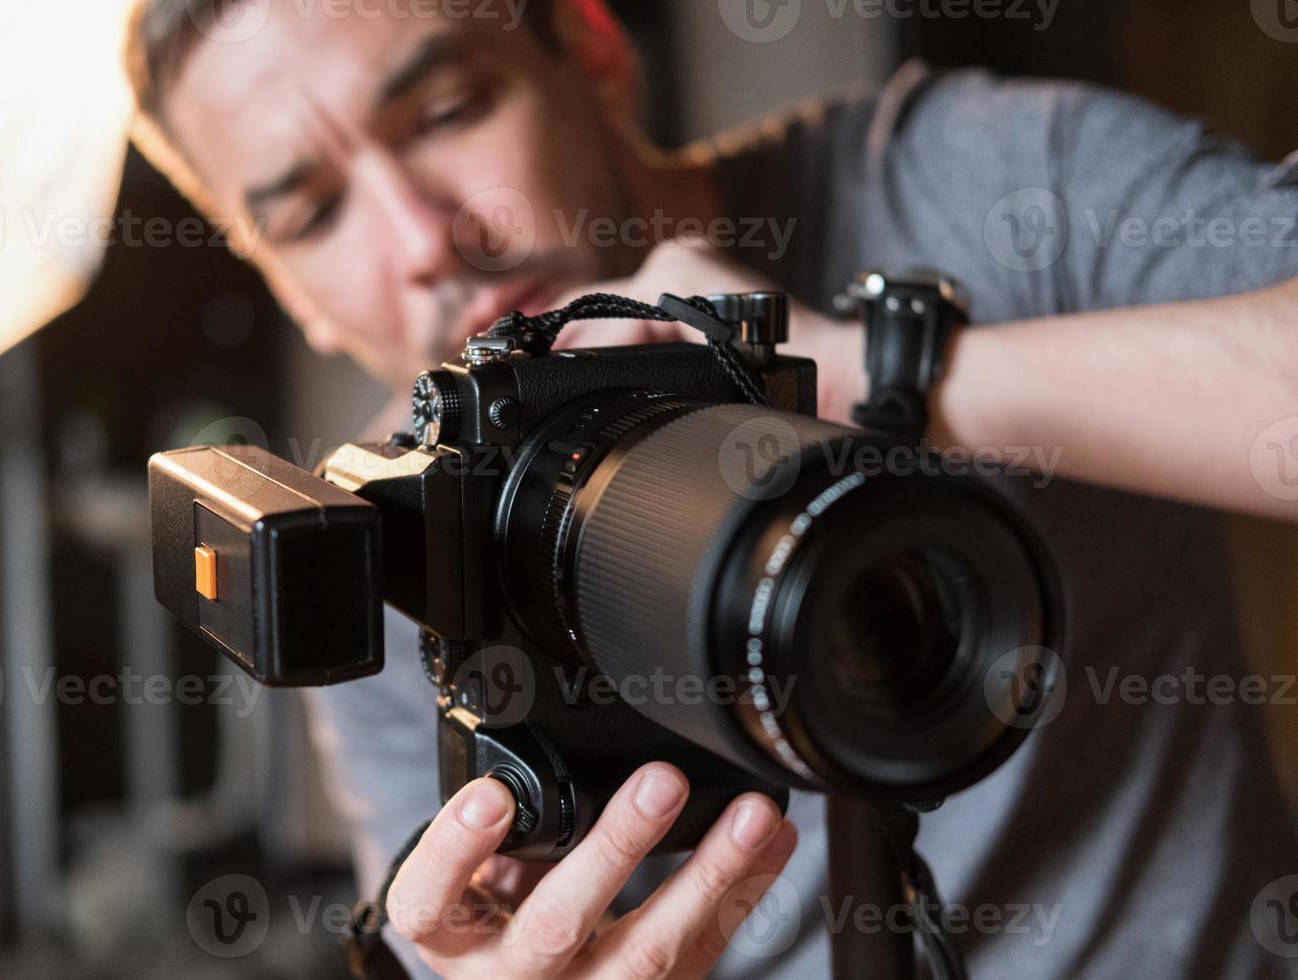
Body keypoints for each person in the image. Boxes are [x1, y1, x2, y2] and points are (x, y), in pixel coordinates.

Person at [124, 1, 1298, 976]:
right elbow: (473, 933)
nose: (420, 237)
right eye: (315, 215)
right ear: (290, 291)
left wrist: (893, 379)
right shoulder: (398, 534)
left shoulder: (964, 186)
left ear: (591, 51)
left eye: (449, 110)